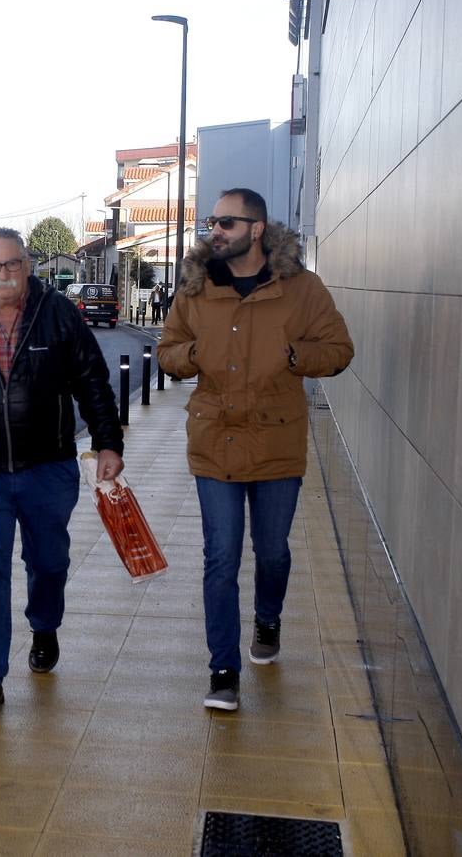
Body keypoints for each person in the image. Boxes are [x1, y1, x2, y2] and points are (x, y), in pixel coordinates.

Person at [158, 188, 353, 712]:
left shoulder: (302, 288)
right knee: (220, 557)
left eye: (225, 222)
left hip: (276, 441)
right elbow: (168, 349)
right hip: (214, 440)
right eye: (212, 222)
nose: (214, 231)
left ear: (257, 228)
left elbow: (339, 350)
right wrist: (194, 354)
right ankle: (223, 670)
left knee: (271, 552)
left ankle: (268, 618)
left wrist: (293, 355)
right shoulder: (195, 288)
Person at [0, 227, 124, 716]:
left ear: (27, 265)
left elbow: (91, 381)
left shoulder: (57, 315)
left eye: (12, 264)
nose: (3, 275)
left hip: (48, 466)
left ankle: (45, 625)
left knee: (48, 562)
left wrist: (108, 442)